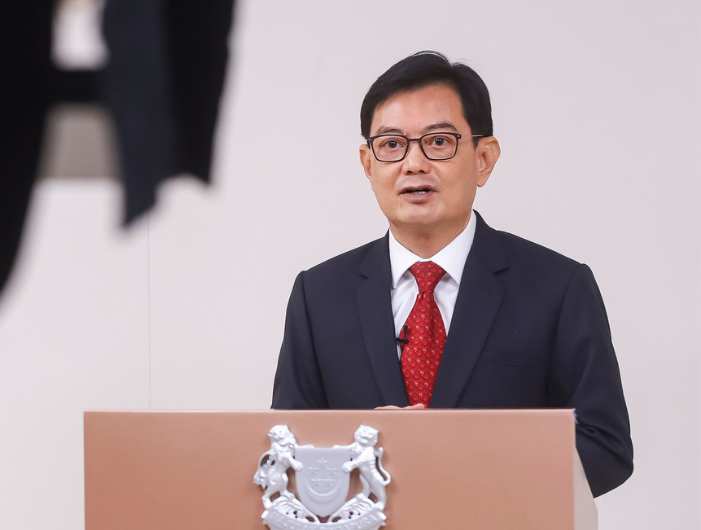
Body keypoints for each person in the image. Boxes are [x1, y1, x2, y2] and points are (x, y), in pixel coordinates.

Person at [269, 51, 632, 496]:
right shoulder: (319, 294)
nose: (414, 164)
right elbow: (285, 452)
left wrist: (462, 456)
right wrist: (362, 451)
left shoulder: (558, 287)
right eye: (391, 145)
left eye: (439, 142)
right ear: (368, 164)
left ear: (484, 158)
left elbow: (606, 447)